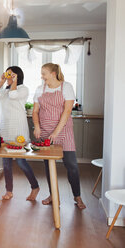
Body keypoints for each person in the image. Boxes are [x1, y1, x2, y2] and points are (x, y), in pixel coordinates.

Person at [32, 63, 86, 209]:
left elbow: (67, 111)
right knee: (49, 166)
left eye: (44, 73)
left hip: (64, 132)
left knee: (72, 166)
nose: (41, 76)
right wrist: (37, 126)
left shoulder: (66, 87)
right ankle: (53, 195)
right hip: (45, 132)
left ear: (53, 73)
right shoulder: (39, 89)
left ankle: (77, 196)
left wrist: (56, 132)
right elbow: (35, 111)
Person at [0, 66, 40, 201]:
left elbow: (13, 95)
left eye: (10, 75)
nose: (8, 77)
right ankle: (9, 190)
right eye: (7, 74)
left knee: (21, 162)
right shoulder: (6, 90)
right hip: (5, 129)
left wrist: (14, 81)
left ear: (17, 76)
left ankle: (35, 186)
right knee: (6, 163)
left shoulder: (23, 89)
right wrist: (2, 81)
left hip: (18, 130)